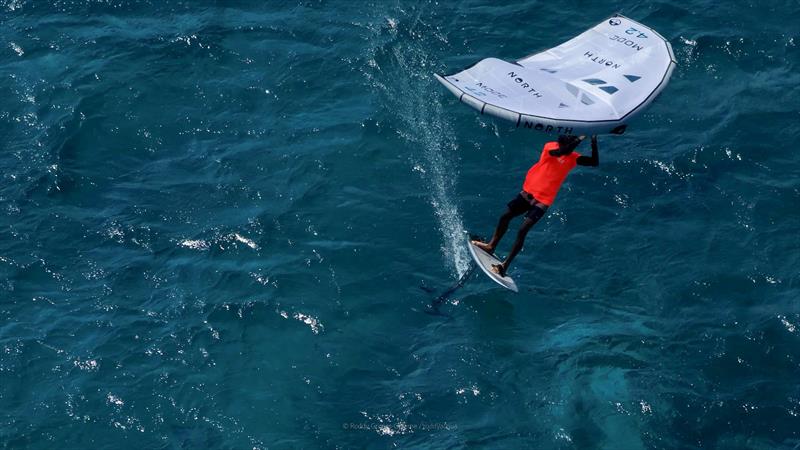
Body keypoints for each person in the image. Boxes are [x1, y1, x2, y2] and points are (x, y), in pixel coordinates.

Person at [472, 134, 600, 276]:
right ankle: (491, 246)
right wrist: (580, 138)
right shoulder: (550, 147)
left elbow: (594, 162)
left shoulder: (573, 157)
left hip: (544, 201)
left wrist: (594, 141)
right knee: (505, 216)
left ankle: (504, 265)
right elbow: (561, 152)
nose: (569, 150)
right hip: (528, 193)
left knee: (522, 230)